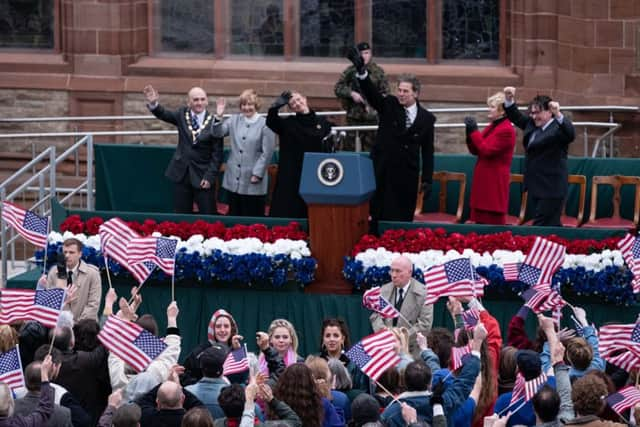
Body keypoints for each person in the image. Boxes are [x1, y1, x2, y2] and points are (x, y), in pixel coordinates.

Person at [347, 47, 436, 229]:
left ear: (416, 93)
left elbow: (428, 151)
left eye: (406, 91)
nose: (401, 94)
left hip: (406, 174)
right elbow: (373, 95)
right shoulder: (389, 104)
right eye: (400, 90)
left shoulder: (427, 118)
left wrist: (427, 179)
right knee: (377, 214)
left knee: (401, 218)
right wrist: (362, 73)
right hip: (383, 170)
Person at [143, 84, 223, 215]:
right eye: (195, 100)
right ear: (189, 102)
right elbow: (164, 114)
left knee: (208, 215)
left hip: (203, 176)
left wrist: (210, 177)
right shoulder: (182, 114)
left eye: (202, 99)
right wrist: (154, 104)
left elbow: (217, 153)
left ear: (207, 101)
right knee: (181, 216)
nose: (199, 103)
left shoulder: (215, 121)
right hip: (182, 174)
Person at [503, 86, 575, 226]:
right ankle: (561, 247)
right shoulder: (532, 124)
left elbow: (570, 134)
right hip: (536, 187)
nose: (534, 116)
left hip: (552, 189)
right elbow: (516, 116)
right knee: (552, 226)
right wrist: (509, 99)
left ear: (549, 112)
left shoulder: (558, 128)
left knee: (540, 226)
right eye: (532, 113)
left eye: (538, 113)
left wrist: (559, 114)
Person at [266, 90, 333, 218]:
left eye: (298, 99)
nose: (297, 103)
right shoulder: (288, 123)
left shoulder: (323, 122)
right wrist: (275, 107)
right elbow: (271, 122)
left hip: (314, 172)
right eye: (292, 103)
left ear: (305, 99)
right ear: (291, 108)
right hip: (292, 172)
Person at [212, 90, 275, 217]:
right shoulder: (234, 120)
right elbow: (217, 133)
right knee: (235, 214)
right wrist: (219, 117)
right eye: (243, 105)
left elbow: (267, 152)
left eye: (250, 104)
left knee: (252, 215)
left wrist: (257, 174)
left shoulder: (265, 124)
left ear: (256, 105)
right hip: (234, 178)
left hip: (253, 179)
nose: (246, 108)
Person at [464, 91, 516, 225]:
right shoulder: (493, 126)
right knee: (478, 221)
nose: (489, 109)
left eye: (492, 107)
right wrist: (469, 133)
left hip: (493, 184)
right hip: (484, 182)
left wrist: (475, 131)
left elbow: (487, 150)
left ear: (502, 111)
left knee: (491, 224)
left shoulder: (506, 130)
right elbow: (476, 150)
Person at [369, 255, 434, 355]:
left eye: (398, 271)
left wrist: (401, 337)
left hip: (411, 349)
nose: (393, 275)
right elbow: (375, 316)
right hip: (386, 347)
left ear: (409, 273)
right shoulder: (384, 290)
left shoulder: (424, 293)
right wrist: (385, 334)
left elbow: (425, 325)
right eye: (392, 270)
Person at [334, 41, 388, 152]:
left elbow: (385, 93)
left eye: (367, 53)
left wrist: (373, 104)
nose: (364, 56)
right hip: (354, 118)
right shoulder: (350, 71)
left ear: (371, 54)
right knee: (350, 150)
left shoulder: (378, 72)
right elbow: (338, 88)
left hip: (372, 119)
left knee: (372, 151)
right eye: (362, 53)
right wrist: (351, 93)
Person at [45, 237, 102, 322]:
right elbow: (49, 302)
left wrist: (77, 325)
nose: (67, 255)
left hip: (85, 326)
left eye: (71, 252)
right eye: (65, 252)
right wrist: (65, 323)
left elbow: (93, 304)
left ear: (80, 254)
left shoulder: (92, 274)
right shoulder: (53, 273)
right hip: (60, 326)